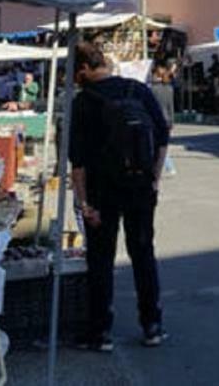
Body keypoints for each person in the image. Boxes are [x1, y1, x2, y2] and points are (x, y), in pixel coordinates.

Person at [69, 41, 170, 352]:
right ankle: (151, 325)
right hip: (140, 187)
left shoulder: (83, 102)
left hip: (102, 192)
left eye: (73, 72)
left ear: (84, 69)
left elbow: (78, 161)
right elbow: (164, 134)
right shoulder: (136, 90)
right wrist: (153, 178)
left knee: (100, 261)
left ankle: (100, 333)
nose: (71, 79)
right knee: (143, 254)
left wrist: (84, 202)